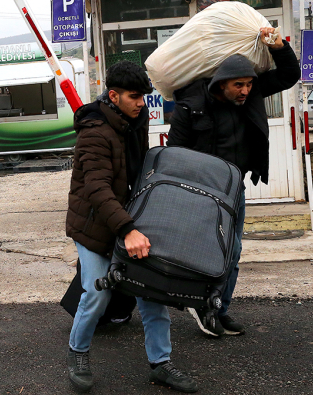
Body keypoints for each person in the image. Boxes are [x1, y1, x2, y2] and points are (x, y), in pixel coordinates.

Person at [65, 61, 197, 393]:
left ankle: (160, 364)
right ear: (114, 95)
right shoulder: (94, 132)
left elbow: (139, 172)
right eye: (135, 96)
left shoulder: (135, 121)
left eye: (144, 96)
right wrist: (127, 230)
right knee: (97, 293)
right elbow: (97, 189)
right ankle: (78, 354)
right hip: (94, 227)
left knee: (151, 294)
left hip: (128, 220)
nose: (142, 103)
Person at [167, 27, 300, 337]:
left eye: (249, 84)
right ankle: (205, 305)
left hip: (234, 188)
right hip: (202, 192)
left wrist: (279, 47)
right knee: (213, 251)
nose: (245, 90)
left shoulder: (251, 95)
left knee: (234, 252)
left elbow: (289, 75)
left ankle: (219, 309)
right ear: (220, 83)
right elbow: (174, 152)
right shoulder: (191, 103)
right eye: (238, 85)